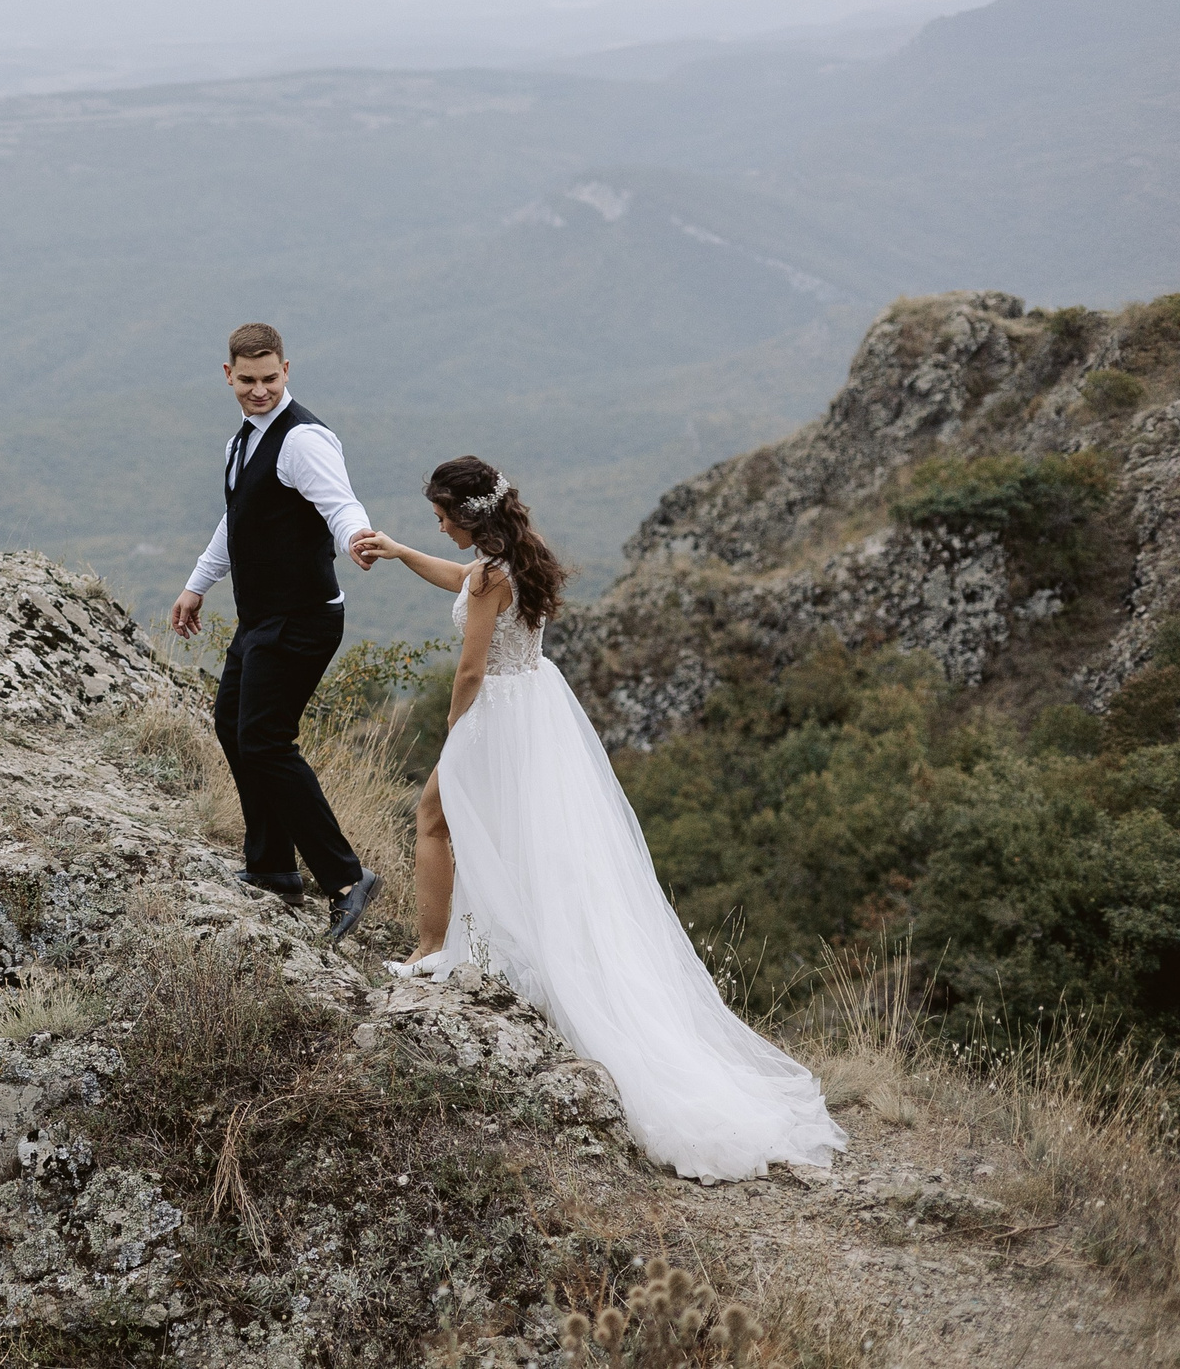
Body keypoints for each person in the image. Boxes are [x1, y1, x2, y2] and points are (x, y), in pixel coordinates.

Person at [353, 458, 845, 1180]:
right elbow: (462, 580)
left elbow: (470, 667)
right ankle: (480, 947)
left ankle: (432, 949)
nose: (439, 527)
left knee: (433, 818)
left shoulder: (489, 577)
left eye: (441, 517)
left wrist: (455, 729)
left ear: (469, 516)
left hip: (497, 712)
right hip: (536, 707)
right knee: (521, 839)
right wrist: (400, 552)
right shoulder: (511, 562)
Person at [168, 322, 382, 943]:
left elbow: (340, 503)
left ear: (286, 370)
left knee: (264, 739)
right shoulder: (242, 441)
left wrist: (356, 537)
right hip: (262, 616)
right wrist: (197, 583)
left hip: (304, 617)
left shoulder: (303, 441)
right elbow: (237, 519)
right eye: (247, 380)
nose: (259, 390)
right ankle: (272, 866)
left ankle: (346, 877)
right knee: (232, 723)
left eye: (269, 379)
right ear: (228, 375)